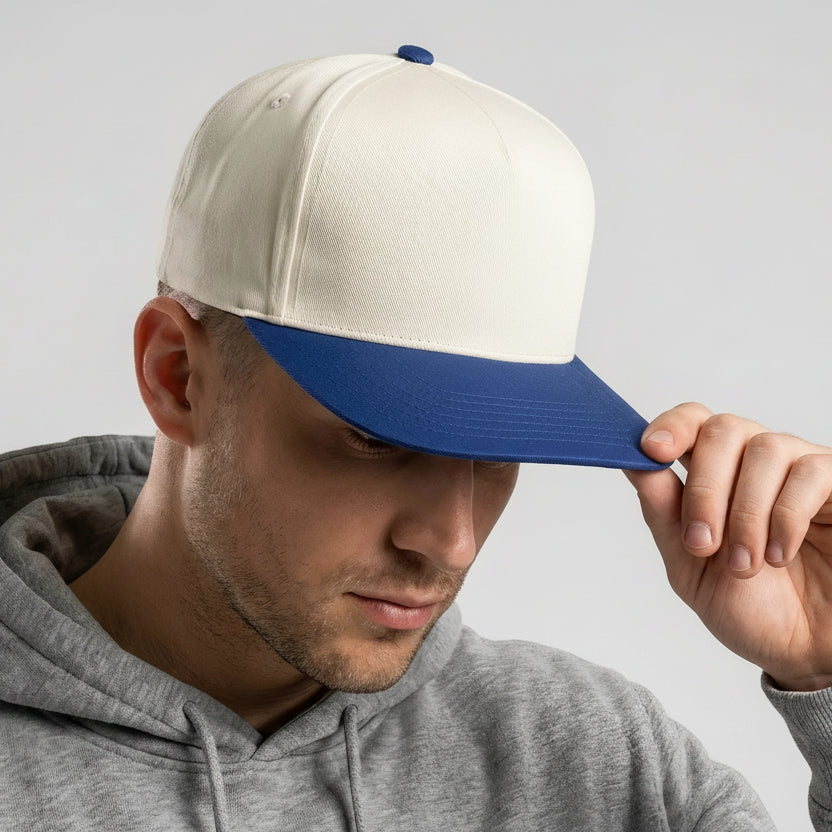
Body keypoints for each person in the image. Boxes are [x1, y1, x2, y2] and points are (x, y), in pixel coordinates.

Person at [0, 44, 830, 831]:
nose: (454, 542)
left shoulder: (593, 758)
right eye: (373, 437)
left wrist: (825, 672)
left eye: (500, 447)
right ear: (177, 374)